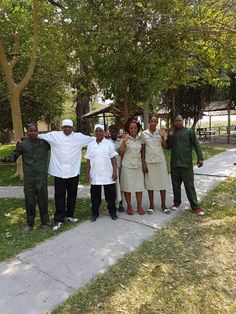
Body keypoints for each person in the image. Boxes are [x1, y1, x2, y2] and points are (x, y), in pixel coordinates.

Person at [38, 119, 94, 230]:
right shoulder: (54, 136)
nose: (67, 129)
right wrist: (22, 138)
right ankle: (59, 219)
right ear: (62, 128)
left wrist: (107, 137)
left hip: (73, 172)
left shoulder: (79, 137)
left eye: (69, 127)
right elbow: (39, 136)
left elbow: (93, 138)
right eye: (65, 127)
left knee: (72, 194)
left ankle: (69, 215)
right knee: (59, 196)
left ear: (72, 128)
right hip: (59, 172)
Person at [0, 124, 50, 233]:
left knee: (43, 201)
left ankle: (45, 223)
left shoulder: (45, 144)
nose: (33, 133)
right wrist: (3, 159)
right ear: (27, 132)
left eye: (35, 131)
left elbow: (55, 139)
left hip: (42, 178)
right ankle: (30, 224)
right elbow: (14, 156)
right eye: (30, 131)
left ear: (38, 132)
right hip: (29, 180)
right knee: (30, 202)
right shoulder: (23, 145)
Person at [166, 115, 206, 216]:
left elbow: (196, 144)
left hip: (186, 165)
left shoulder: (189, 131)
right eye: (176, 121)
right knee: (175, 186)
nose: (178, 122)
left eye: (179, 120)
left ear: (182, 121)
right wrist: (170, 135)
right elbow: (168, 146)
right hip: (175, 164)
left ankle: (195, 207)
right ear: (174, 122)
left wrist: (200, 158)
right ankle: (176, 203)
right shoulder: (173, 132)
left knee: (189, 186)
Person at [86, 124, 118, 222]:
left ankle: (112, 212)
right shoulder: (91, 145)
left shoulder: (109, 144)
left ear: (104, 133)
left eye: (101, 131)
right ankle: (94, 213)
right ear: (94, 132)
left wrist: (115, 172)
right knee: (95, 197)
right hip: (95, 174)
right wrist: (87, 174)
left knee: (110, 196)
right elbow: (88, 160)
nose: (99, 132)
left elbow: (113, 159)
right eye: (97, 131)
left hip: (108, 174)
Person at [142, 115, 171, 214]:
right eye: (152, 121)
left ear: (157, 122)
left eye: (155, 121)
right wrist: (143, 162)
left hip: (160, 161)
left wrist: (163, 137)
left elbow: (165, 146)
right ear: (149, 122)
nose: (153, 123)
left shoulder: (161, 132)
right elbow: (143, 149)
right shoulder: (144, 134)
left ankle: (163, 205)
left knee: (162, 183)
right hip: (149, 161)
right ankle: (151, 205)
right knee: (150, 184)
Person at [119, 119, 145, 215]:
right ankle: (129, 206)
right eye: (131, 128)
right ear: (128, 129)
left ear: (137, 128)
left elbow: (142, 153)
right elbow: (121, 152)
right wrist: (123, 142)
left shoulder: (140, 139)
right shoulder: (125, 138)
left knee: (139, 187)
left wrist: (143, 164)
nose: (133, 129)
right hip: (127, 166)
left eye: (135, 128)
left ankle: (139, 206)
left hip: (138, 166)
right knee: (127, 187)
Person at [108, 124, 125, 212]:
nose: (114, 132)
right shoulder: (107, 142)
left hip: (120, 165)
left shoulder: (121, 141)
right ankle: (113, 203)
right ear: (109, 132)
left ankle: (121, 202)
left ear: (118, 132)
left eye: (115, 131)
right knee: (112, 186)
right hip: (110, 167)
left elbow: (122, 152)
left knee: (120, 185)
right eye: (112, 131)